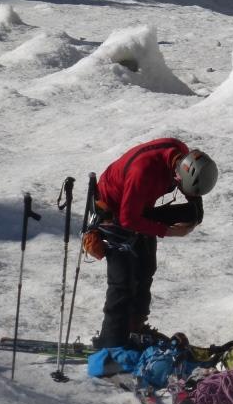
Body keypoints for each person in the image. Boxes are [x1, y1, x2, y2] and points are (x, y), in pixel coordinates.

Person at [88, 137, 218, 349]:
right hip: (115, 212)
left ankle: (134, 328)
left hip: (138, 206)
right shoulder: (142, 173)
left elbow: (187, 181)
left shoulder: (179, 154)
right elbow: (129, 219)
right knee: (123, 281)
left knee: (146, 265)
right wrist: (168, 231)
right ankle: (111, 343)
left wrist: (195, 206)